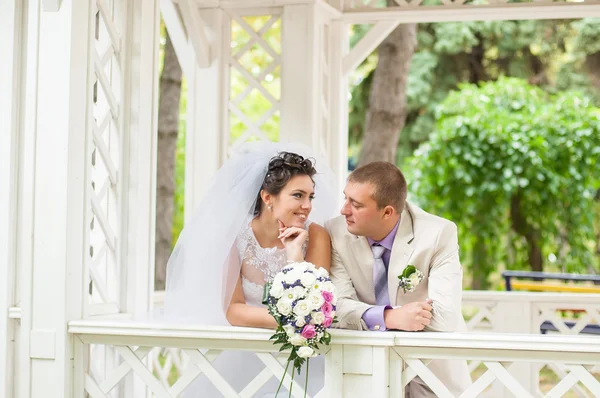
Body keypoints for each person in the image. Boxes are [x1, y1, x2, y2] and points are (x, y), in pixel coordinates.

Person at [164, 143, 336, 397]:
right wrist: (291, 322)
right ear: (268, 197)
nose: (307, 205)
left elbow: (315, 302)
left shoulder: (317, 236)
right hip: (247, 353)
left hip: (304, 357)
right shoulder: (235, 237)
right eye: (298, 195)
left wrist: (294, 254)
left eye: (310, 196)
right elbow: (233, 310)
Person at [326, 161, 472, 397]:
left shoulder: (437, 234)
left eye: (356, 204)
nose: (344, 210)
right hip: (363, 369)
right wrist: (389, 316)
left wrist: (365, 314)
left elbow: (445, 316)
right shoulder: (335, 232)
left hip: (431, 370)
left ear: (387, 212)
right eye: (345, 199)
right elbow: (336, 306)